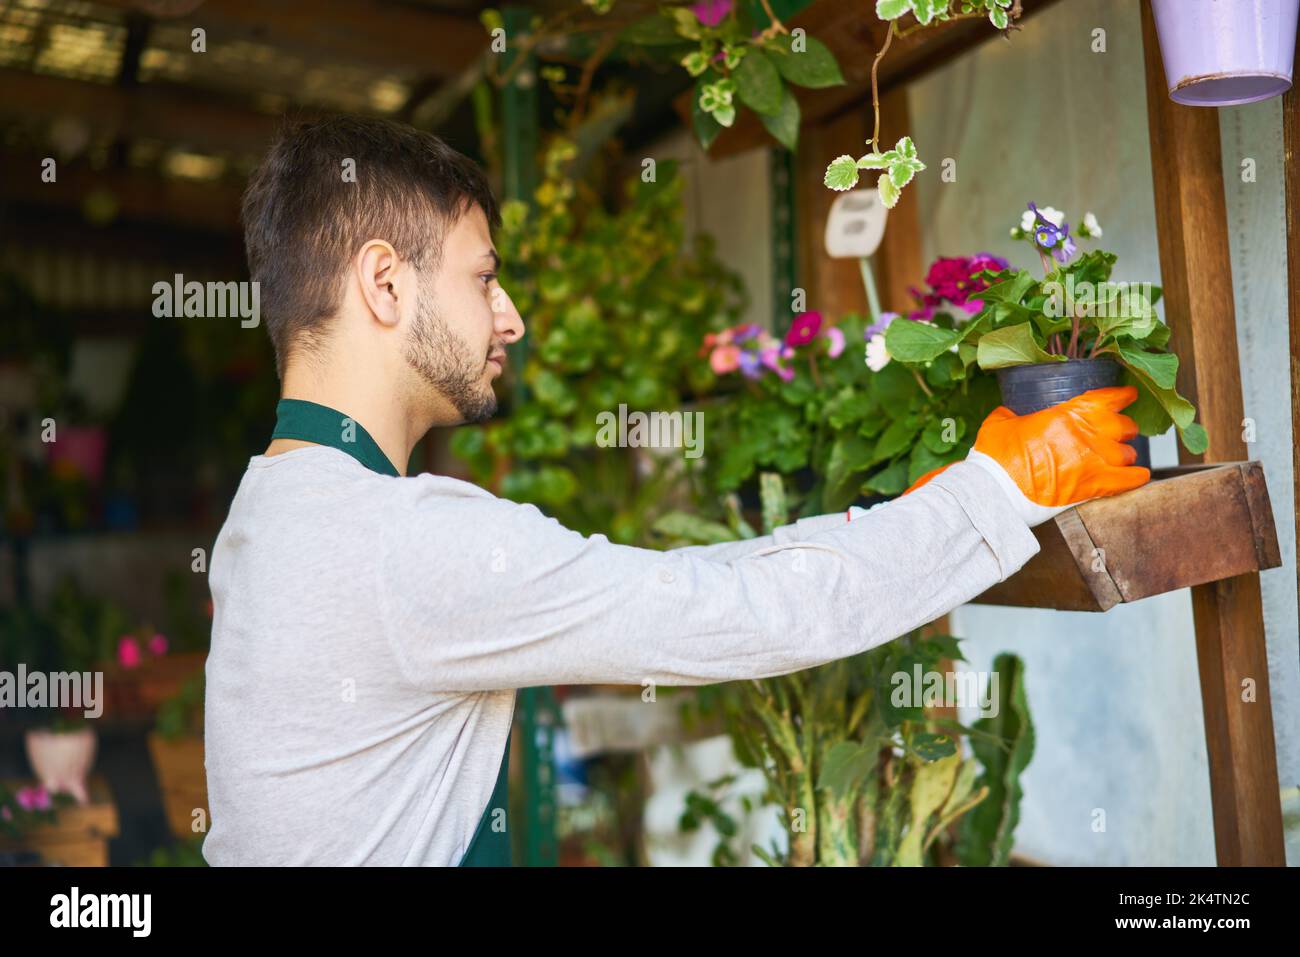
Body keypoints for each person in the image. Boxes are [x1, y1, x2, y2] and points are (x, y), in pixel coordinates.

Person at [201, 116, 1148, 867]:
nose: (512, 318)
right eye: (484, 277)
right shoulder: (401, 543)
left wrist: (921, 512)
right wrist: (997, 490)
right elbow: (729, 613)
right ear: (383, 282)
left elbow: (684, 584)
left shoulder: (275, 506)